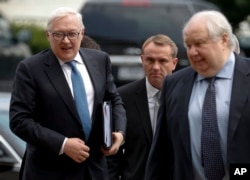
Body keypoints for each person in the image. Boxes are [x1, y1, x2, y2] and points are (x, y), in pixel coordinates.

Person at [9, 7, 126, 180]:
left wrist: (119, 132)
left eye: (72, 33)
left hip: (94, 170)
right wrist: (63, 144)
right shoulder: (30, 68)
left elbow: (113, 99)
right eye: (58, 34)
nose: (66, 41)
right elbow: (19, 120)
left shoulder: (99, 60)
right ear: (48, 35)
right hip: (50, 171)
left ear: (82, 33)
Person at [145, 10, 250, 180]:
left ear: (223, 40)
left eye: (199, 43)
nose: (193, 52)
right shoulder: (174, 84)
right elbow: (161, 154)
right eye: (188, 45)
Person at [107, 34, 178, 180]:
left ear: (174, 63)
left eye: (163, 61)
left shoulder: (187, 96)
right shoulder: (122, 98)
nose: (156, 67)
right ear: (142, 60)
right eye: (150, 60)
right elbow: (113, 155)